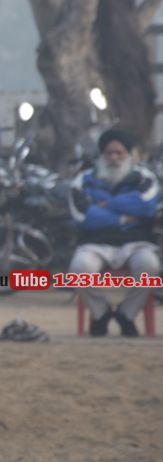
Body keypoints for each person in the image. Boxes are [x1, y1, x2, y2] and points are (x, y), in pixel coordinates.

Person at [68, 128, 161, 337]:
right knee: (79, 268)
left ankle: (126, 314)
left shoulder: (143, 178)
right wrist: (123, 218)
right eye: (109, 153)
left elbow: (146, 206)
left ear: (128, 154)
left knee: (150, 266)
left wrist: (106, 204)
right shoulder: (83, 180)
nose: (114, 158)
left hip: (136, 243)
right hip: (94, 244)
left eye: (119, 153)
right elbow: (83, 216)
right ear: (101, 155)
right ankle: (101, 314)